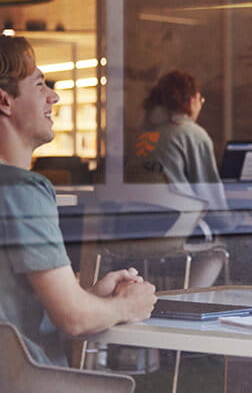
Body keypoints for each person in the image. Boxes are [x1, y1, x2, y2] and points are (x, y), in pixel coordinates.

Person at [0, 35, 156, 366]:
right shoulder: (22, 191)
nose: (53, 97)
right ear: (5, 101)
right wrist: (128, 305)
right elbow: (73, 319)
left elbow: (19, 305)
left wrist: (91, 298)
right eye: (40, 84)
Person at [126, 70, 233, 287]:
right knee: (219, 247)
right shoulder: (192, 134)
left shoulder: (141, 136)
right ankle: (192, 300)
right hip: (173, 230)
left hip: (131, 232)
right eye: (200, 99)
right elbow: (210, 195)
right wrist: (235, 223)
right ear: (192, 100)